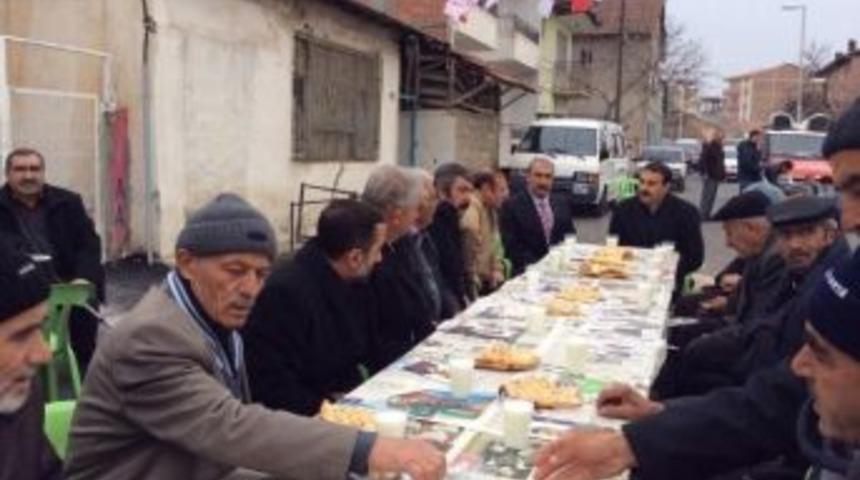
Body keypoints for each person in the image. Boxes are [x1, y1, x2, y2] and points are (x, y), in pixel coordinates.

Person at [531, 98, 860, 480]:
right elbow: (781, 396)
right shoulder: (843, 274)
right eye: (844, 194)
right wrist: (652, 426)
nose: (850, 218)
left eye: (858, 189)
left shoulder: (836, 279)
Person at [65, 193, 445, 480]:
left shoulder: (212, 319)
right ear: (185, 263)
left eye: (260, 274)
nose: (250, 288)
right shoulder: (151, 337)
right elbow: (230, 425)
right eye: (235, 270)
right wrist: (369, 448)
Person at [244, 200, 386, 416]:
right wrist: (332, 408)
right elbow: (274, 386)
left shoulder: (351, 281)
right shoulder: (286, 294)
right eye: (378, 250)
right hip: (306, 423)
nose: (379, 259)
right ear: (355, 258)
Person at [0, 147, 104, 373]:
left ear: (43, 172)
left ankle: (84, 374)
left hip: (66, 282)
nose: (28, 175)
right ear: (7, 174)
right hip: (15, 288)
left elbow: (89, 245)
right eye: (20, 169)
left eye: (34, 169)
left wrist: (83, 278)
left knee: (83, 304)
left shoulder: (68, 202)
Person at [363, 165, 438, 366]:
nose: (416, 217)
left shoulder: (400, 242)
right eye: (414, 210)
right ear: (396, 216)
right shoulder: (367, 252)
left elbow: (418, 300)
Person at [0, 244, 62, 480]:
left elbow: (48, 471)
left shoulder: (20, 391)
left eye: (41, 328)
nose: (43, 354)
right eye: (20, 335)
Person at [608, 161, 703, 295]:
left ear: (666, 187)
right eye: (641, 182)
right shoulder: (623, 209)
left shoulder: (687, 213)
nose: (643, 188)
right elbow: (613, 248)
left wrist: (665, 269)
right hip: (629, 281)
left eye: (651, 184)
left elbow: (695, 258)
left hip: (668, 283)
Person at [500, 157, 576, 275]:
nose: (543, 182)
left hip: (559, 269)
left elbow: (569, 236)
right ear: (528, 177)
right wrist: (541, 266)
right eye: (538, 176)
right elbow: (511, 247)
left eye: (547, 177)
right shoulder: (512, 206)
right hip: (527, 272)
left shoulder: (561, 202)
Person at [428, 162, 473, 312]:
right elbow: (447, 267)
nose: (467, 198)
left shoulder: (452, 217)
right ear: (442, 191)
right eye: (461, 190)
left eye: (469, 191)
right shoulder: (440, 218)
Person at [461, 170, 510, 296]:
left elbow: (494, 246)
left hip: (487, 279)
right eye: (502, 190)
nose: (506, 195)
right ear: (487, 189)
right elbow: (469, 231)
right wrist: (476, 275)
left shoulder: (490, 209)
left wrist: (496, 269)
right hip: (475, 284)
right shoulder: (472, 209)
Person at [699, 131, 726, 220]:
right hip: (710, 175)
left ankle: (707, 214)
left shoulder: (719, 149)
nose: (723, 141)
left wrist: (722, 175)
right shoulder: (711, 147)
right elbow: (704, 161)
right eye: (722, 139)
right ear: (718, 139)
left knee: (711, 196)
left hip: (715, 175)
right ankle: (703, 214)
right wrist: (704, 173)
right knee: (707, 196)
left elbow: (720, 164)